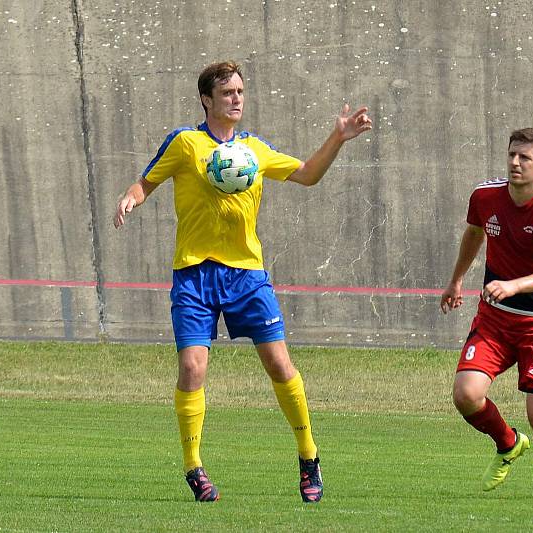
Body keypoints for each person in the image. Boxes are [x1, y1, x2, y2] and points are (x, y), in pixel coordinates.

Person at [113, 60, 372, 503]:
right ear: (206, 100)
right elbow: (146, 181)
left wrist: (338, 138)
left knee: (279, 364)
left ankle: (308, 458)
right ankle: (193, 465)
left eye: (240, 91)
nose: (236, 99)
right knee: (192, 367)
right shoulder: (185, 143)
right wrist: (129, 199)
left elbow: (308, 174)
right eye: (227, 93)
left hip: (247, 274)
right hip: (194, 274)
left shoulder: (254, 150)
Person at [440, 128, 533, 500]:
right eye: (512, 155)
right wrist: (456, 281)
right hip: (496, 318)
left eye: (525, 158)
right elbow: (473, 234)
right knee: (466, 395)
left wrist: (513, 285)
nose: (515, 162)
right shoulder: (485, 196)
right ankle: (508, 443)